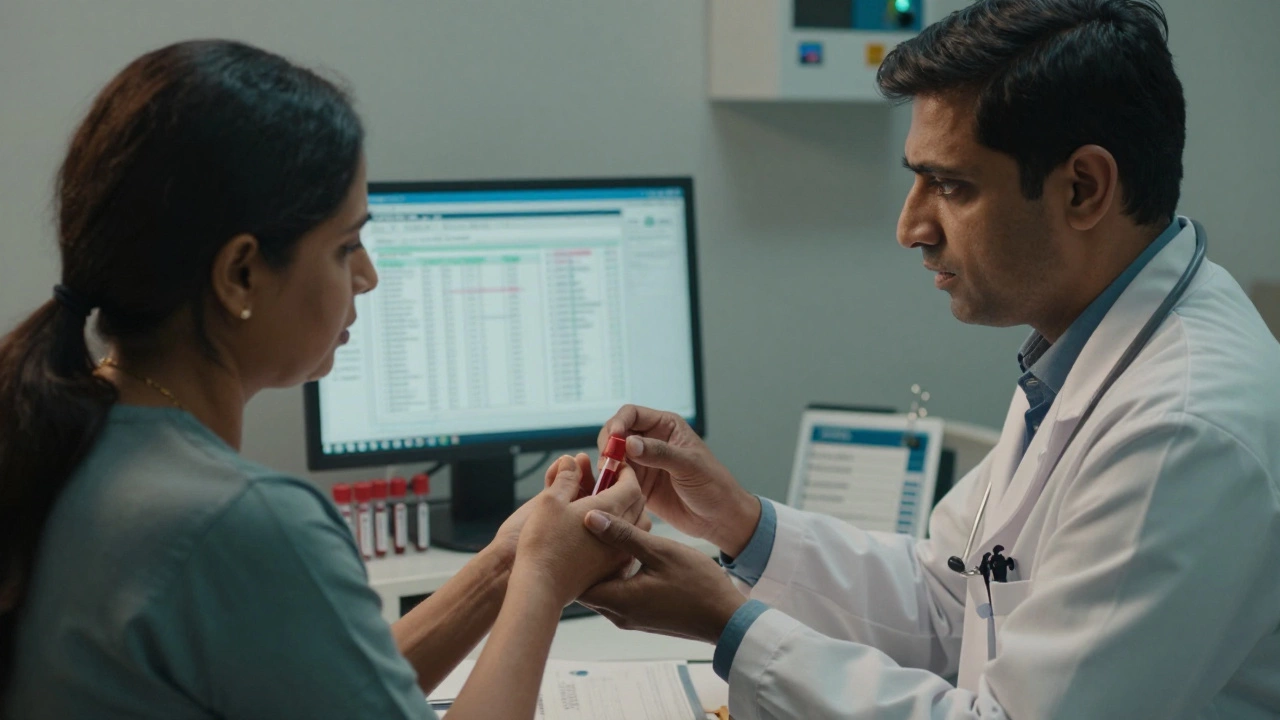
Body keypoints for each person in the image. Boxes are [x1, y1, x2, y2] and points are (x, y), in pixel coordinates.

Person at [576, 1, 1280, 717]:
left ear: (1083, 188)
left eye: (951, 186)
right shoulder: (1083, 350)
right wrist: (737, 522)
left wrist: (729, 627)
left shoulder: (1182, 430)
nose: (910, 226)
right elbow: (952, 602)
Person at [0, 40, 646, 719]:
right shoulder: (242, 521)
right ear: (240, 275)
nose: (368, 276)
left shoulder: (66, 437)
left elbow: (336, 689)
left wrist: (506, 563)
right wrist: (547, 580)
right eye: (345, 246)